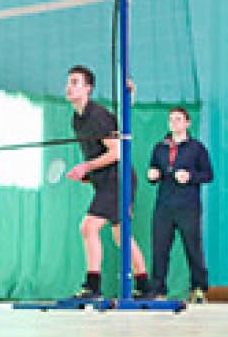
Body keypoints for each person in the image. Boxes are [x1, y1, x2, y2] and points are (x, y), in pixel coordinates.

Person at [64, 65, 150, 300]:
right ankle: (145, 286)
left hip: (118, 180)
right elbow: (97, 153)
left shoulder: (97, 116)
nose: (69, 87)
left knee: (88, 227)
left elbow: (117, 152)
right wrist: (89, 175)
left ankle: (93, 287)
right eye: (68, 82)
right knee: (121, 236)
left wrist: (87, 167)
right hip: (106, 181)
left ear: (88, 88)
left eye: (75, 82)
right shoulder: (77, 119)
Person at [146, 107, 213, 302]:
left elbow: (208, 174)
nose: (174, 123)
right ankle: (157, 290)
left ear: (187, 123)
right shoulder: (160, 147)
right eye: (171, 119)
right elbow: (154, 170)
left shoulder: (197, 148)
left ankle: (198, 288)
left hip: (188, 206)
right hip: (164, 205)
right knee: (160, 249)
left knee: (193, 248)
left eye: (178, 119)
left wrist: (190, 176)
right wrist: (152, 175)